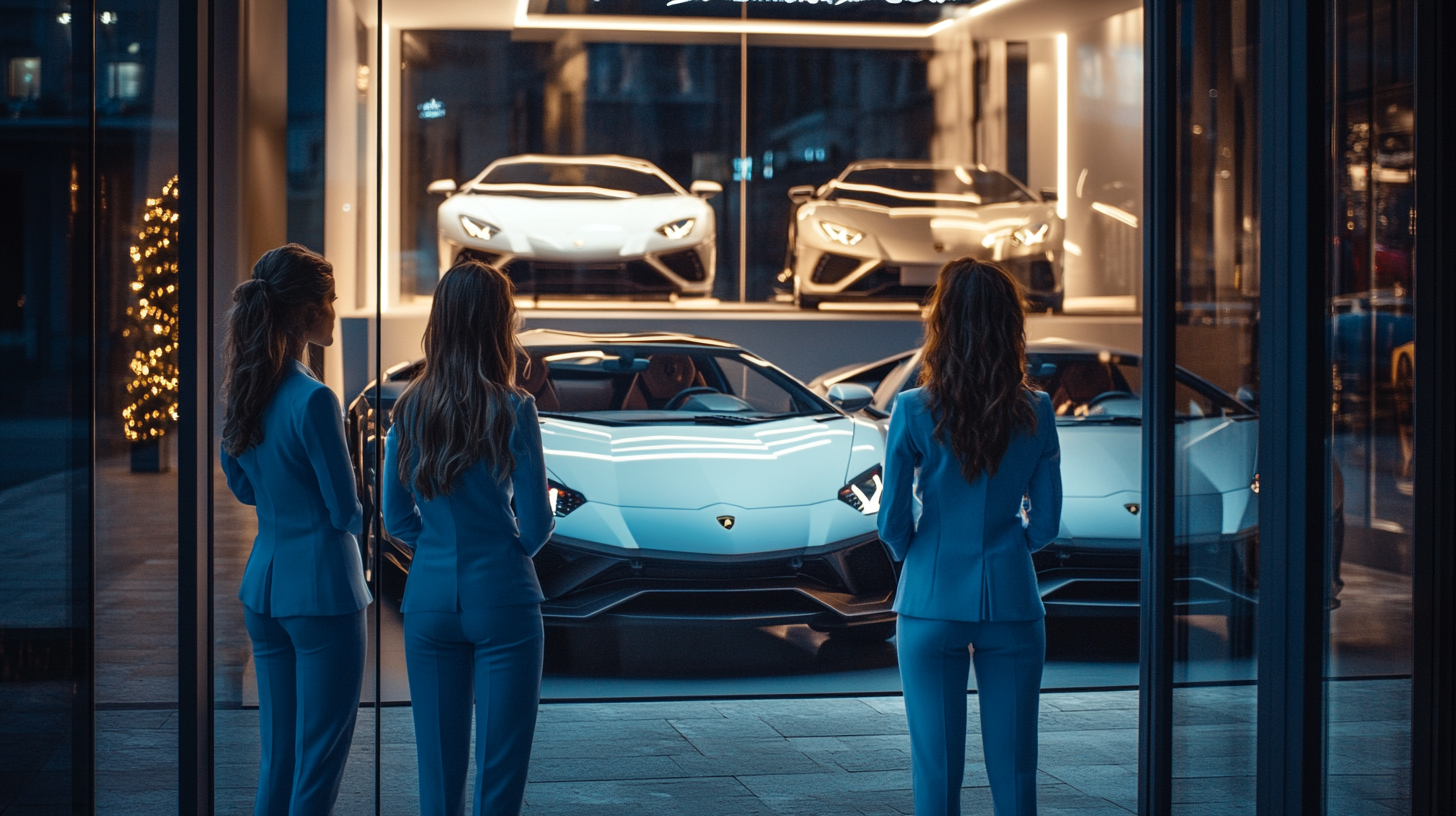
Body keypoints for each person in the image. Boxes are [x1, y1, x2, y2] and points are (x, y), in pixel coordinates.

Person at [878, 258, 1063, 816]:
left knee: (936, 774)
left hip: (930, 600)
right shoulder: (1037, 410)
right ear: (1012, 326)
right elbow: (1048, 523)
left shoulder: (911, 410)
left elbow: (890, 520)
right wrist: (1010, 551)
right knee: (1015, 771)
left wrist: (921, 557)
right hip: (1012, 599)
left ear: (944, 324)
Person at [382, 259, 554, 816]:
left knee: (438, 776)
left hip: (429, 602)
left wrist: (436, 549)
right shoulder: (515, 407)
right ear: (495, 327)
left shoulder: (408, 409)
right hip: (504, 597)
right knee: (499, 776)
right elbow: (536, 523)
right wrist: (506, 554)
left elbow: (395, 517)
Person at [219, 244, 372, 816]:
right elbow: (344, 511)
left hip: (265, 587)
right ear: (308, 311)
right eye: (331, 300)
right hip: (324, 592)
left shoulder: (247, 390)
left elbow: (243, 486)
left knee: (277, 757)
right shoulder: (314, 400)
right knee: (321, 756)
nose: (335, 310)